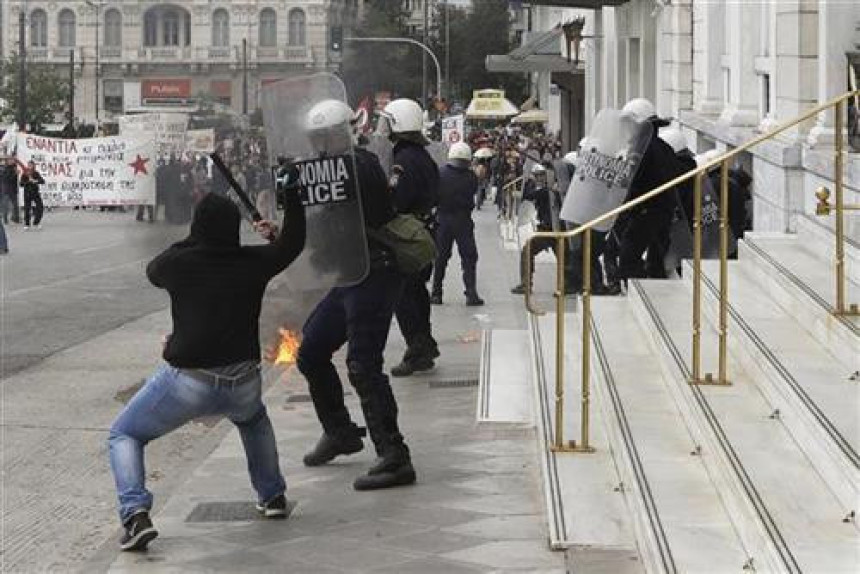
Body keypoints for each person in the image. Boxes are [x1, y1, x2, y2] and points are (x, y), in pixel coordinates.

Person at [107, 186, 306, 551]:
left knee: (124, 435)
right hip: (244, 378)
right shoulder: (253, 262)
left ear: (197, 228)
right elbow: (291, 246)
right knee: (252, 420)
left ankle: (135, 515)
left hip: (189, 381)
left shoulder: (178, 264)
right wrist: (291, 203)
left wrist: (193, 240)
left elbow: (155, 267)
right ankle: (273, 496)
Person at [295, 99, 417, 490]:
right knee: (311, 351)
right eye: (315, 138)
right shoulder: (320, 171)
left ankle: (394, 455)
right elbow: (321, 226)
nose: (319, 144)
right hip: (348, 276)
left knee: (363, 364)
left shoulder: (359, 166)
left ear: (342, 133)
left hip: (376, 275)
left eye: (325, 136)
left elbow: (355, 203)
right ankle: (340, 431)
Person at [380, 99, 441, 378]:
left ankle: (417, 349)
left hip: (410, 238)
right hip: (426, 232)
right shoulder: (422, 156)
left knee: (404, 296)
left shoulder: (403, 160)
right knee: (417, 293)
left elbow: (397, 200)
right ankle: (425, 347)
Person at [613, 98, 680, 281]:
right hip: (661, 212)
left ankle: (637, 294)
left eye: (630, 124)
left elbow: (633, 181)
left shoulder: (641, 150)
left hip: (646, 211)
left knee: (628, 257)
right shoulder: (664, 148)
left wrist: (623, 204)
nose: (627, 129)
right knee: (656, 260)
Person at [430, 142, 484, 306]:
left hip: (443, 219)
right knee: (469, 257)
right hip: (463, 220)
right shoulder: (471, 176)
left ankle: (436, 293)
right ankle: (471, 293)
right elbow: (474, 191)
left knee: (440, 258)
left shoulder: (439, 173)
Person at [511, 164, 574, 294]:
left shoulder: (550, 191)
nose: (539, 177)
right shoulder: (550, 189)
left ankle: (527, 285)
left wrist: (529, 182)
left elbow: (528, 195)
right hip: (549, 228)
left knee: (563, 258)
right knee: (561, 257)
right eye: (537, 175)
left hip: (554, 229)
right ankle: (527, 284)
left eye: (542, 174)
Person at [20, 161, 45, 230]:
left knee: (40, 207)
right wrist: (28, 182)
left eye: (31, 165)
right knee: (27, 209)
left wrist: (35, 181)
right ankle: (27, 224)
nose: (30, 166)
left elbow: (42, 181)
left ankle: (36, 222)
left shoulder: (36, 173)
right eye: (29, 165)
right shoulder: (24, 174)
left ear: (34, 166)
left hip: (35, 193)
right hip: (27, 193)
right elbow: (21, 184)